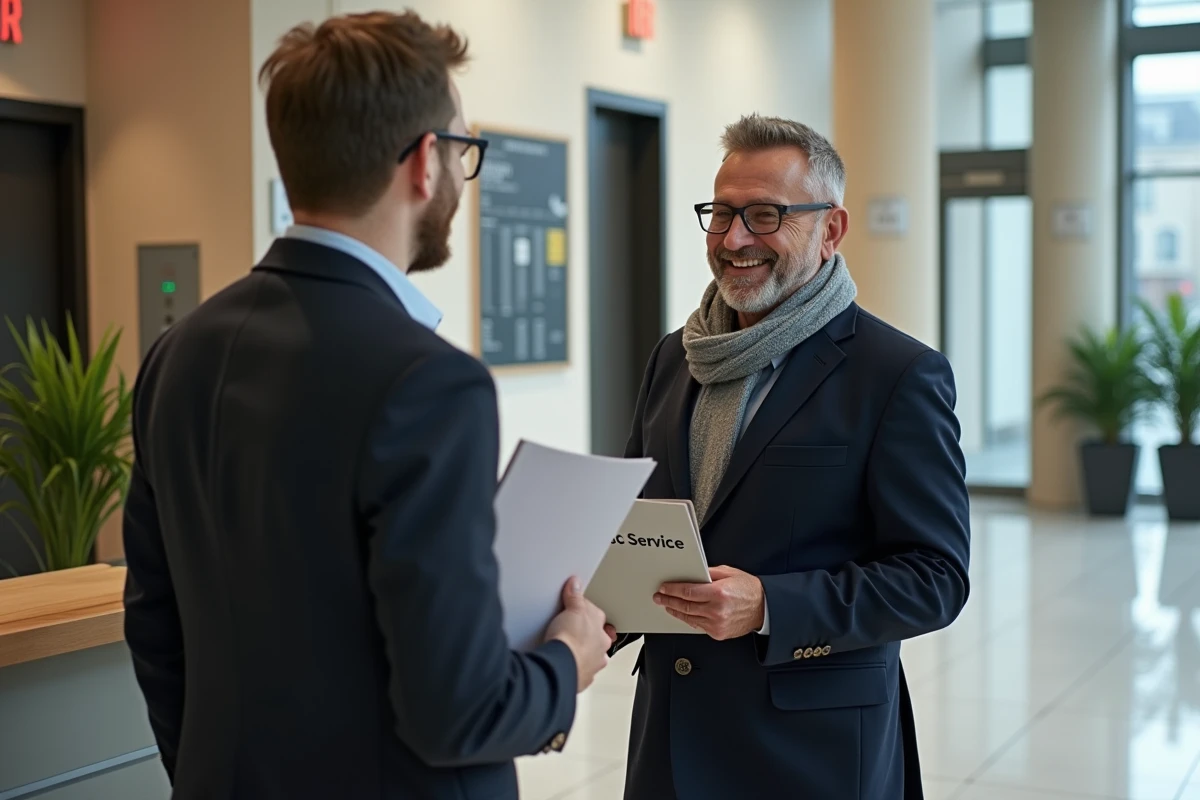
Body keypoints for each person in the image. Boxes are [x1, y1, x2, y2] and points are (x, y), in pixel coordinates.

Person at [121, 12, 614, 800]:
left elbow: (156, 630)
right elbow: (458, 711)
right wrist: (568, 660)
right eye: (462, 151)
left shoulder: (178, 354)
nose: (460, 175)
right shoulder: (428, 382)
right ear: (423, 162)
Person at [614, 115, 972, 799]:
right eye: (722, 214)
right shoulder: (674, 357)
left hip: (811, 755)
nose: (734, 239)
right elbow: (640, 522)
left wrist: (770, 606)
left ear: (830, 230)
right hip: (672, 740)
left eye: (765, 215)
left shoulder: (895, 374)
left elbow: (935, 577)